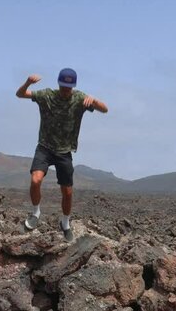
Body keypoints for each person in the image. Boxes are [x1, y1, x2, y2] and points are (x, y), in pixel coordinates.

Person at [15, 68, 108, 241]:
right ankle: (35, 213)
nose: (66, 89)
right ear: (59, 83)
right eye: (64, 86)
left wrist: (94, 100)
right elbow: (20, 95)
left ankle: (65, 223)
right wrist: (28, 82)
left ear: (74, 85)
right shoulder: (47, 95)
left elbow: (105, 109)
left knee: (67, 192)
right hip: (44, 147)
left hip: (64, 151)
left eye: (69, 87)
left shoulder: (80, 99)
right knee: (35, 180)